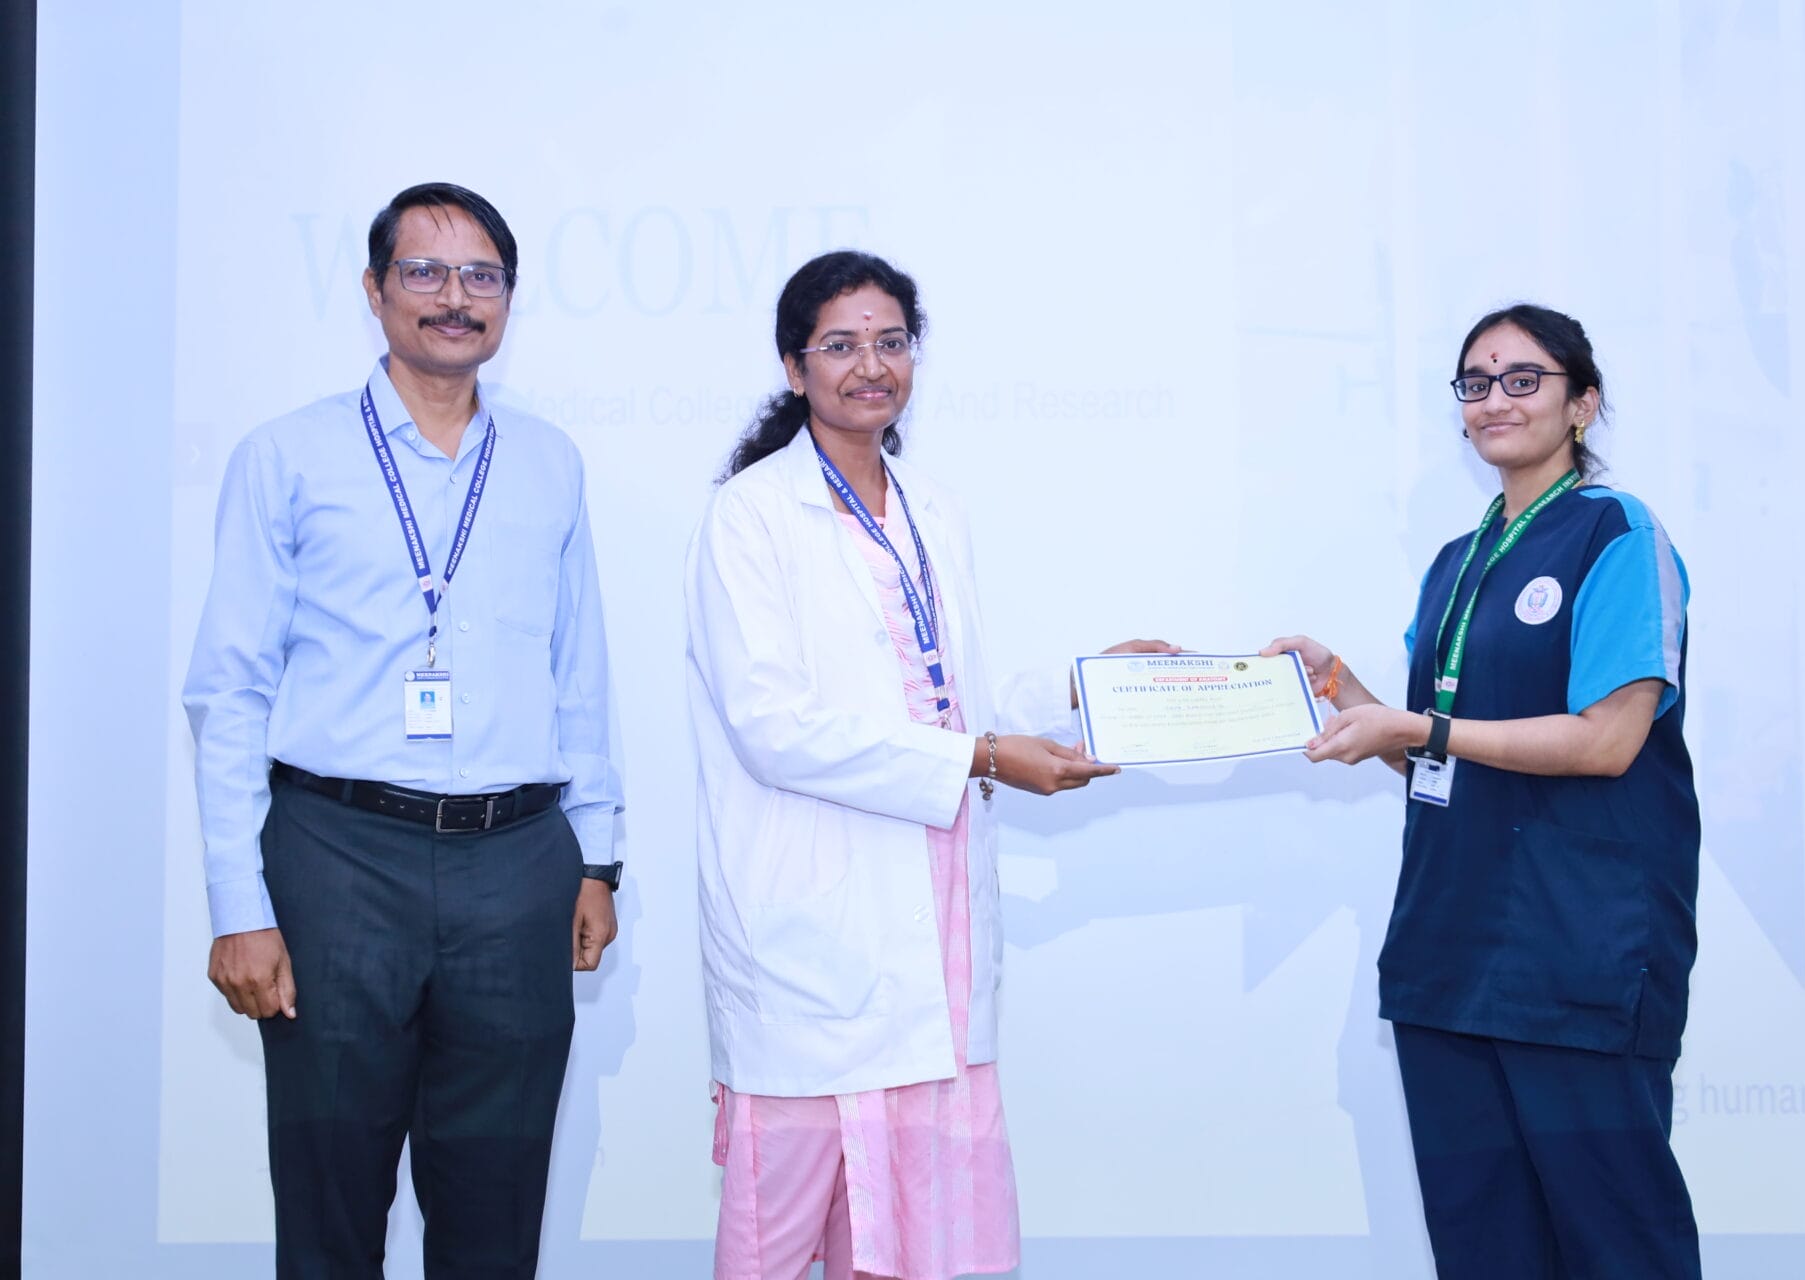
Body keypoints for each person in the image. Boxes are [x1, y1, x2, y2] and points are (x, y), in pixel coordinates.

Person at [685, 250, 1171, 1280]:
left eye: (892, 341)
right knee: (776, 1244)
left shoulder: (933, 509)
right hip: (814, 933)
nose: (872, 365)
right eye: (841, 344)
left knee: (926, 1240)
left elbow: (956, 699)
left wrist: (1086, 684)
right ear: (795, 367)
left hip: (933, 927)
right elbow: (771, 726)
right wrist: (982, 756)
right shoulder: (750, 513)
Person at [183, 182, 623, 1279]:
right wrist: (241, 905)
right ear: (375, 290)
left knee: (496, 1215)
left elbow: (579, 674)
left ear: (508, 298)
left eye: (482, 275)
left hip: (519, 864)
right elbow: (228, 691)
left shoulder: (550, 461)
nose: (454, 297)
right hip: (338, 859)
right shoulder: (287, 454)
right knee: (331, 1211)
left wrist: (598, 857)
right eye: (424, 271)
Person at [1265, 304, 1701, 1279]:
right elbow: (1437, 755)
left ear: (1583, 403)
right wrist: (1346, 688)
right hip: (1450, 960)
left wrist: (1418, 727)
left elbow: (1609, 740)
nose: (1495, 398)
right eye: (1476, 381)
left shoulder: (1617, 535)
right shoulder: (1454, 565)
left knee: (1619, 1248)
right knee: (1484, 1253)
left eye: (1524, 378)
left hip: (1577, 957)